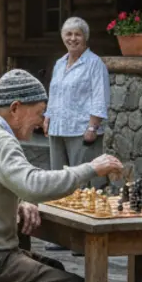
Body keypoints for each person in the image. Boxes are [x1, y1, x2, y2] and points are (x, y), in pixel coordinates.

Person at [0, 68, 124, 282]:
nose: (41, 122)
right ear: (15, 108)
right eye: (39, 113)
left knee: (55, 267)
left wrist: (19, 202)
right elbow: (34, 185)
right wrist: (91, 168)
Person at [43, 17, 110, 178]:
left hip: (81, 131)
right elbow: (55, 92)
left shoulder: (95, 63)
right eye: (68, 34)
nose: (72, 38)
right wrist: (47, 117)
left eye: (77, 34)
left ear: (85, 37)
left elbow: (100, 97)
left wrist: (92, 128)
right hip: (57, 128)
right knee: (58, 178)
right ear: (63, 37)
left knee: (81, 179)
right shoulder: (59, 63)